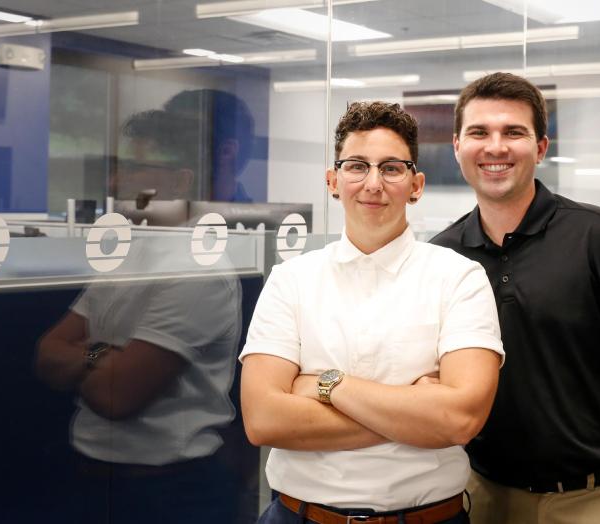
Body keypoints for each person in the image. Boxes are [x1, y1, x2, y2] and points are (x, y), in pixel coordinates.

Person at [430, 72, 600, 524]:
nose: (495, 147)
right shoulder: (440, 257)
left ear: (540, 147)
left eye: (514, 132)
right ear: (457, 146)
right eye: (479, 132)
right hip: (482, 496)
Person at [240, 101, 505, 524]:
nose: (373, 183)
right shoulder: (291, 280)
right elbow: (263, 419)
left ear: (416, 184)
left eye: (392, 168)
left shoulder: (458, 278)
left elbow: (459, 419)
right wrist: (415, 415)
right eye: (357, 166)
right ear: (333, 180)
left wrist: (328, 385)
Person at [36, 104, 245, 523]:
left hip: (170, 494)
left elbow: (116, 395)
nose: (116, 180)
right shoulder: (128, 252)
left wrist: (85, 357)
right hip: (93, 478)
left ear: (181, 180)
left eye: (134, 167)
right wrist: (101, 355)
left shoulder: (196, 269)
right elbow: (46, 355)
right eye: (118, 167)